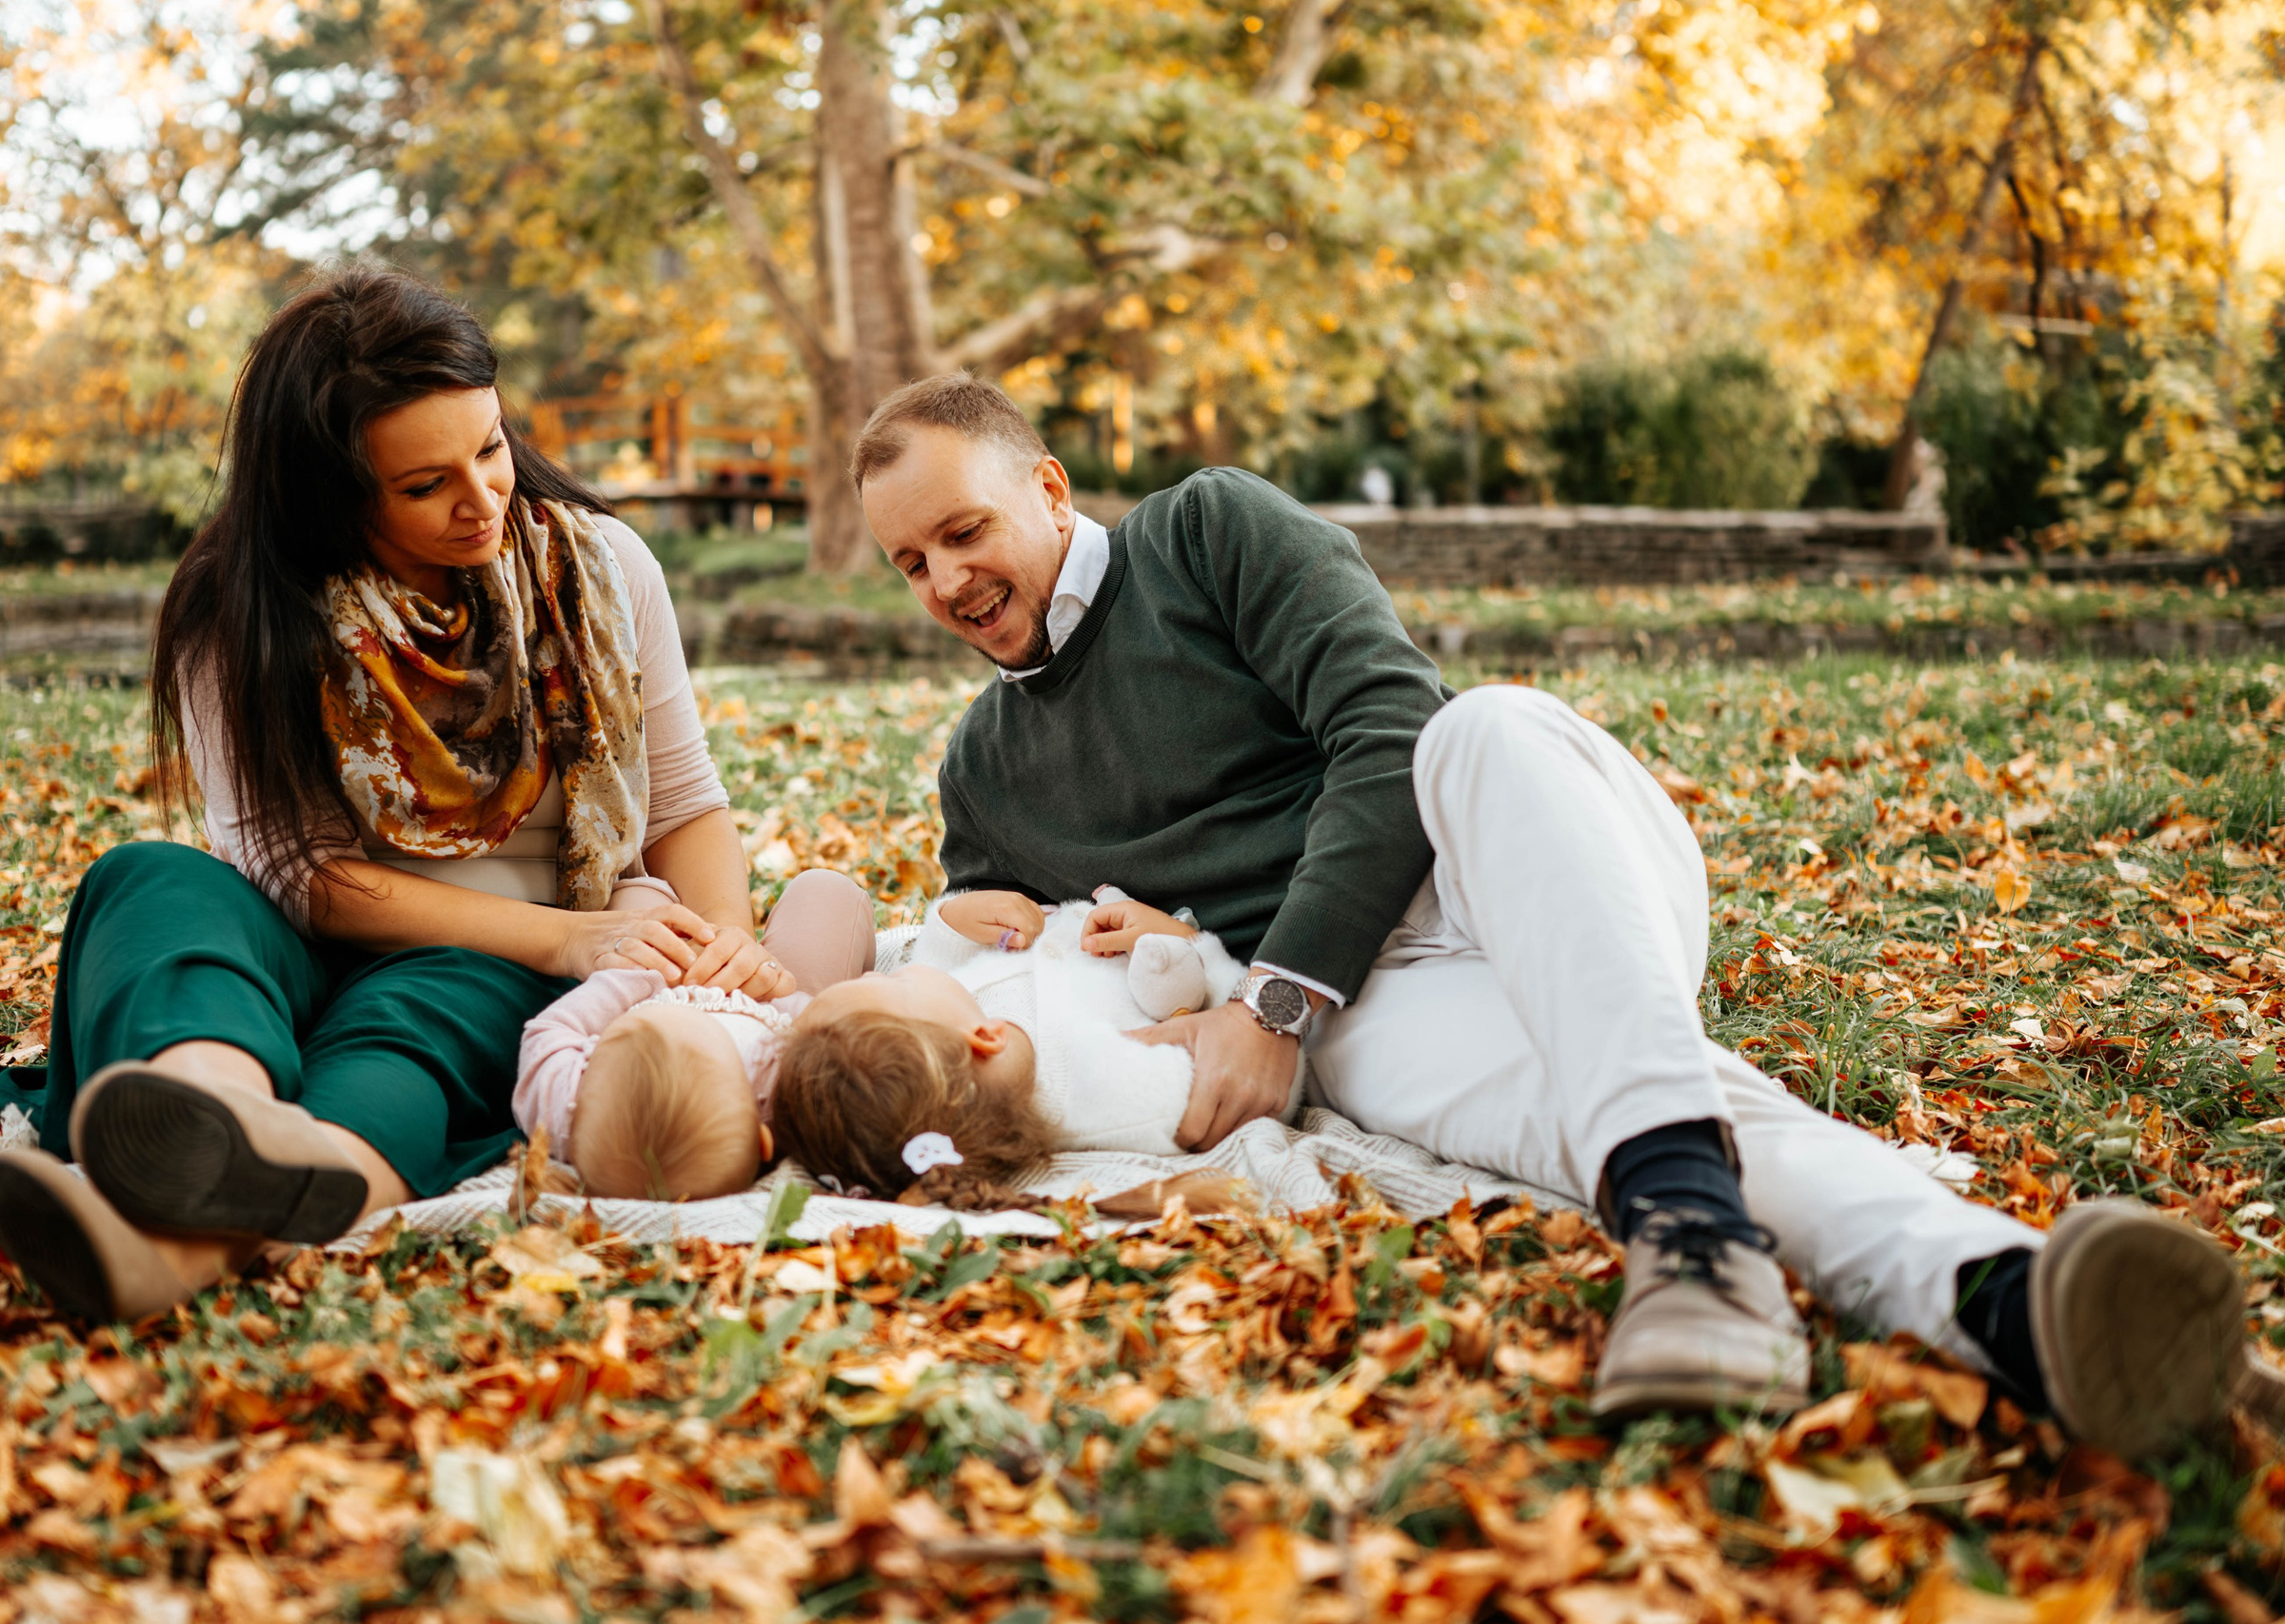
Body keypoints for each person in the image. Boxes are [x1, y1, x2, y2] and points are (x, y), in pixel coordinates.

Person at [845, 370, 2255, 1464]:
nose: (949, 583)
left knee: (1485, 729)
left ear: (1047, 484)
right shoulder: (985, 766)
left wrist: (1273, 997)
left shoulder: (1206, 532)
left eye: (964, 531)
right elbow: (1012, 977)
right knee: (1662, 1117)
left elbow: (1389, 722)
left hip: (1522, 864)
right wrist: (987, 935)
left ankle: (1698, 1232)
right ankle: (2010, 1305)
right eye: (911, 565)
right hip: (1383, 1008)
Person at [0, 264, 870, 1323]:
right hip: (321, 929)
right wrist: (557, 941)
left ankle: (186, 1231)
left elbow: (681, 803)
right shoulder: (244, 610)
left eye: (489, 448)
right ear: (331, 496)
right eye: (423, 483)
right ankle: (206, 1109)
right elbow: (294, 873)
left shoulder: (605, 567)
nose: (483, 499)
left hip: (510, 954)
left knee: (422, 1010)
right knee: (146, 881)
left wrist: (715, 954)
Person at [770, 888, 1275, 1209]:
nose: (895, 968)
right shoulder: (1107, 1093)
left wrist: (953, 920)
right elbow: (1242, 1069)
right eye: (892, 981)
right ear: (984, 1039)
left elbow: (942, 969)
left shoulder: (955, 1041)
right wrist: (1187, 942)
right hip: (1164, 941)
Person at [513, 867, 876, 1201]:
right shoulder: (779, 1092)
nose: (692, 1007)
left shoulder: (568, 1115)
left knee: (637, 894)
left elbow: (550, 1031)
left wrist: (637, 979)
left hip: (647, 984)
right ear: (765, 1141)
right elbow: (823, 1031)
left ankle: (662, 919)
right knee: (827, 891)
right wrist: (777, 989)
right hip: (769, 999)